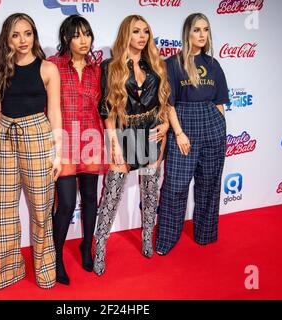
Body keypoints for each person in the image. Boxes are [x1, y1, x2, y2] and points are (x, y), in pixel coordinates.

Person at [0, 13, 62, 290]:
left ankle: (44, 271)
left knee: (41, 211)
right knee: (3, 211)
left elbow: (54, 112)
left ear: (34, 35)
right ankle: (7, 272)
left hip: (37, 136)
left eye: (27, 33)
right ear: (7, 38)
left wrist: (58, 154)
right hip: (5, 137)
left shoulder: (47, 69)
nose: (22, 40)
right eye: (16, 34)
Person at [93, 15, 170, 276]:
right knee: (111, 196)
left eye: (146, 32)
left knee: (151, 192)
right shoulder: (110, 66)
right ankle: (100, 245)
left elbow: (164, 103)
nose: (142, 36)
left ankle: (147, 237)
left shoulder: (156, 65)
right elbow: (107, 109)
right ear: (126, 33)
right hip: (124, 134)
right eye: (136, 31)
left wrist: (167, 126)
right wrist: (113, 141)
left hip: (152, 133)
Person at [156, 13, 229, 255]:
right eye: (196, 30)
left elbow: (220, 103)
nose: (201, 35)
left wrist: (218, 125)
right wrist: (178, 133)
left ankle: (205, 234)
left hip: (212, 126)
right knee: (175, 186)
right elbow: (169, 103)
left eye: (205, 30)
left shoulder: (213, 64)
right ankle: (167, 239)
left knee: (209, 185)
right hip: (184, 126)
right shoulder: (173, 64)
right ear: (187, 33)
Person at [48, 15, 106, 285]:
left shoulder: (98, 69)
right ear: (66, 39)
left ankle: (86, 246)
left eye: (87, 34)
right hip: (64, 141)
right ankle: (56, 256)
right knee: (67, 204)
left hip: (92, 139)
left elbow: (104, 107)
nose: (84, 40)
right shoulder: (53, 66)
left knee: (91, 199)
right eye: (77, 35)